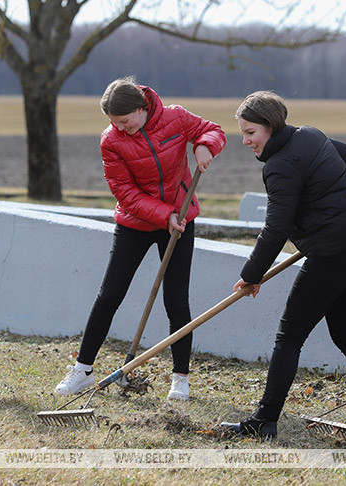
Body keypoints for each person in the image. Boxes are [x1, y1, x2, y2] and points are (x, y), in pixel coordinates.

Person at [219, 91, 346, 439]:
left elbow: (276, 228)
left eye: (251, 133)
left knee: (289, 336)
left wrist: (250, 276)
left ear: (270, 127)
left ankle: (263, 421)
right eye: (242, 133)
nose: (245, 141)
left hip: (333, 253)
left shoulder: (279, 166)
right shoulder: (309, 134)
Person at [53, 76, 226, 401]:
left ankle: (180, 379)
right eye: (114, 123)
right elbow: (125, 192)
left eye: (124, 121)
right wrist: (163, 215)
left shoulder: (175, 117)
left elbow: (212, 129)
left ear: (142, 108)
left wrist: (205, 143)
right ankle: (83, 371)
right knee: (110, 295)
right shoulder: (111, 141)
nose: (120, 128)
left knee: (176, 300)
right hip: (135, 222)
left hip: (181, 218)